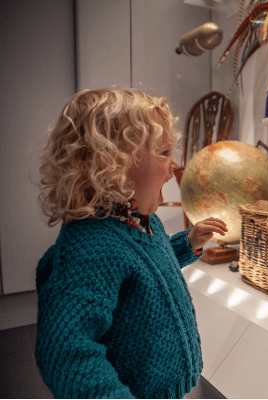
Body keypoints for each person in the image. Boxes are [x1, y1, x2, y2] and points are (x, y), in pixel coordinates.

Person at [35, 88, 227, 399]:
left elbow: (150, 267)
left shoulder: (141, 222)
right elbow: (66, 351)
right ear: (112, 165)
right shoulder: (92, 245)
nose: (175, 164)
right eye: (163, 153)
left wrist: (188, 243)